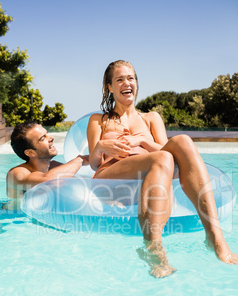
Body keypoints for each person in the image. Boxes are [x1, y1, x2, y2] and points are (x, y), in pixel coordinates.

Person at [87, 60, 238, 278]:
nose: (126, 83)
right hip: (112, 175)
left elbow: (165, 149)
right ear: (110, 87)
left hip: (154, 171)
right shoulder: (99, 120)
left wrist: (143, 144)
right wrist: (102, 146)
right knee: (162, 159)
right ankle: (152, 248)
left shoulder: (151, 118)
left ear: (136, 83)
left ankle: (215, 238)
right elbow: (94, 163)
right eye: (119, 79)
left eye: (130, 78)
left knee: (182, 142)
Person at [6, 122, 89, 199]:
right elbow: (49, 181)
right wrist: (80, 160)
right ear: (30, 152)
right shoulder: (16, 174)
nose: (51, 138)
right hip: (12, 214)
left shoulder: (54, 167)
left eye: (47, 134)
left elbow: (84, 181)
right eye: (42, 138)